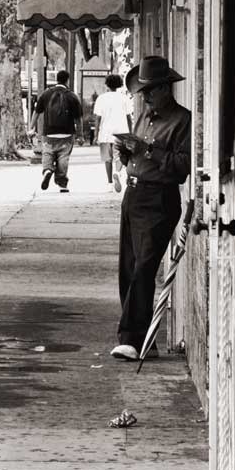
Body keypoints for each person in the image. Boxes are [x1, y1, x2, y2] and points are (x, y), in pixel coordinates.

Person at [110, 56, 191, 361]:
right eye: (143, 91)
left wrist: (149, 151)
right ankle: (144, 340)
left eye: (151, 91)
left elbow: (182, 167)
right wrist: (126, 153)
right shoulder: (143, 116)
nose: (145, 97)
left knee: (144, 267)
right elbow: (135, 158)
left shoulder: (182, 121)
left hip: (159, 199)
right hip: (133, 194)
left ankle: (130, 338)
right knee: (128, 269)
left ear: (166, 89)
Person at [29, 69, 83, 193]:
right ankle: (62, 183)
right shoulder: (72, 96)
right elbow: (78, 118)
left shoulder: (46, 94)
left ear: (56, 80)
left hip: (49, 133)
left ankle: (47, 169)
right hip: (67, 133)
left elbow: (36, 112)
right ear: (67, 80)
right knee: (63, 157)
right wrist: (80, 135)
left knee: (48, 153)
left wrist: (31, 128)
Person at [93, 74, 132, 192]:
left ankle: (109, 183)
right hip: (121, 132)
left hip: (105, 132)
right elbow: (129, 117)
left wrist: (95, 135)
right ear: (120, 84)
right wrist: (130, 133)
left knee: (107, 159)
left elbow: (98, 118)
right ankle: (117, 172)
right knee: (118, 156)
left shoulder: (101, 98)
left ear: (107, 84)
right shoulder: (124, 98)